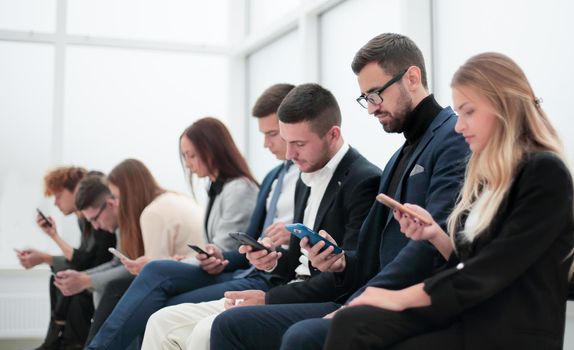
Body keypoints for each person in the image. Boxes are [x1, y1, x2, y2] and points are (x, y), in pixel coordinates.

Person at [210, 33, 469, 350]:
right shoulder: (398, 157)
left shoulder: (452, 139)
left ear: (412, 78)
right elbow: (370, 250)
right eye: (366, 99)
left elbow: (435, 241)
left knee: (298, 337)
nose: (371, 109)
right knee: (230, 324)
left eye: (375, 95)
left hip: (411, 298)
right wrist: (340, 261)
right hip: (369, 291)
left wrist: (362, 300)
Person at [324, 52, 574, 350]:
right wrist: (435, 235)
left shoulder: (545, 173)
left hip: (508, 329)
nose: (458, 125)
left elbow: (490, 271)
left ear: (503, 107)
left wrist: (397, 296)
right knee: (352, 322)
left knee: (362, 326)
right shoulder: (489, 179)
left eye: (468, 112)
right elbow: (471, 262)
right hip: (473, 315)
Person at [141, 83, 382, 350]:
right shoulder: (305, 174)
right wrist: (270, 261)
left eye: (298, 144)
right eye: (286, 141)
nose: (289, 155)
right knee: (160, 321)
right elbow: (296, 262)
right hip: (288, 287)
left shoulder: (364, 181)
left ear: (333, 135)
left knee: (204, 332)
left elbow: (350, 276)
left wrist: (269, 299)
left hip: (325, 299)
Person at [85, 116, 260, 349]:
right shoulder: (216, 189)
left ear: (213, 149)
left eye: (191, 155)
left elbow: (226, 252)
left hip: (234, 271)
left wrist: (184, 261)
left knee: (154, 275)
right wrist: (185, 260)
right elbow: (213, 251)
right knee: (150, 283)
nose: (188, 163)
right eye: (185, 156)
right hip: (216, 267)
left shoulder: (238, 189)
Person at [15, 167, 115, 350]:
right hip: (96, 272)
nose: (56, 203)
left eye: (59, 195)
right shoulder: (85, 219)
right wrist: (52, 239)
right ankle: (55, 340)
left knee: (69, 285)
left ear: (76, 189)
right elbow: (83, 258)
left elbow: (87, 261)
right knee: (58, 278)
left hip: (102, 278)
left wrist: (53, 240)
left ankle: (62, 343)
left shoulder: (97, 217)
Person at [106, 158, 205, 276]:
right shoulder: (176, 197)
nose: (116, 204)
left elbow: (156, 275)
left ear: (130, 194)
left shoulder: (152, 213)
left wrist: (143, 269)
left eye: (117, 197)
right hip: (205, 270)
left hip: (197, 275)